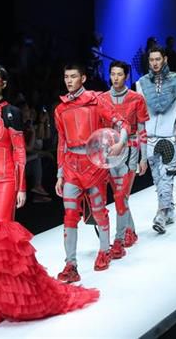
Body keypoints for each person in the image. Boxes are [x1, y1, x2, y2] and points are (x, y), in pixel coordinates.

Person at [0, 64, 98, 324]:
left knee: (1, 241)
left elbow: (19, 152)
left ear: (3, 84)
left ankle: (5, 300)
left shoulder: (13, 113)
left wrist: (21, 187)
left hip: (5, 181)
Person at [54, 63, 130, 282]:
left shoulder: (97, 100)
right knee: (69, 216)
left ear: (83, 78)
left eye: (73, 76)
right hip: (71, 167)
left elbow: (123, 123)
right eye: (66, 77)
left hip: (94, 165)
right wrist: (59, 174)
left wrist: (120, 143)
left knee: (98, 212)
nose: (69, 81)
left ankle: (104, 251)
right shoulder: (60, 109)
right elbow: (62, 142)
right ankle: (71, 264)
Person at [102, 61, 150, 257]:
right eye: (113, 74)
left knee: (122, 195)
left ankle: (119, 239)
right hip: (110, 152)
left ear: (126, 76)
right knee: (119, 196)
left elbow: (142, 130)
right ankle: (131, 231)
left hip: (130, 150)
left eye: (119, 74)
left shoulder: (137, 99)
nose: (115, 78)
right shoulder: (102, 99)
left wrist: (144, 158)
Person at [136, 46, 176, 233]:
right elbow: (140, 115)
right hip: (149, 136)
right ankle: (168, 210)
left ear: (165, 59)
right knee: (157, 177)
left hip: (170, 134)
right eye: (151, 60)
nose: (155, 63)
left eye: (158, 59)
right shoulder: (141, 84)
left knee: (166, 175)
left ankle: (161, 213)